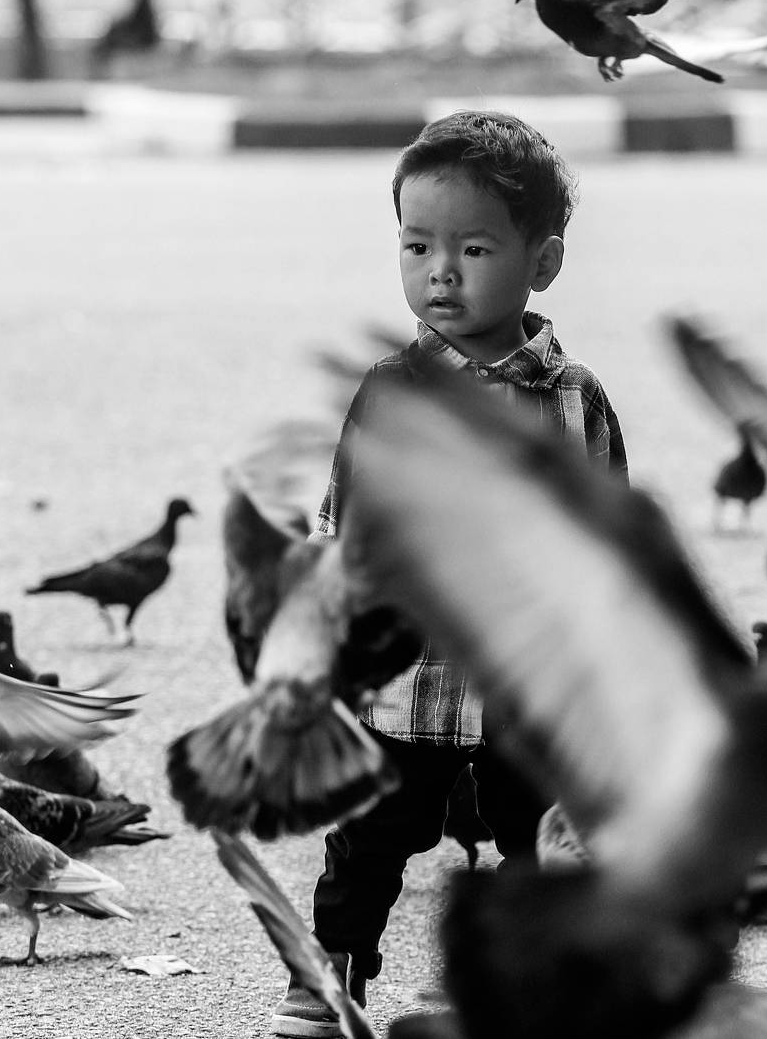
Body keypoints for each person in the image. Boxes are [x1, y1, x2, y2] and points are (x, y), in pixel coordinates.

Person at [272, 109, 628, 1038]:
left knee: (537, 845)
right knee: (366, 846)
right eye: (417, 245)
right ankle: (327, 981)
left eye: (473, 248)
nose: (441, 271)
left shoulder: (575, 400)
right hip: (404, 685)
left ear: (541, 262)